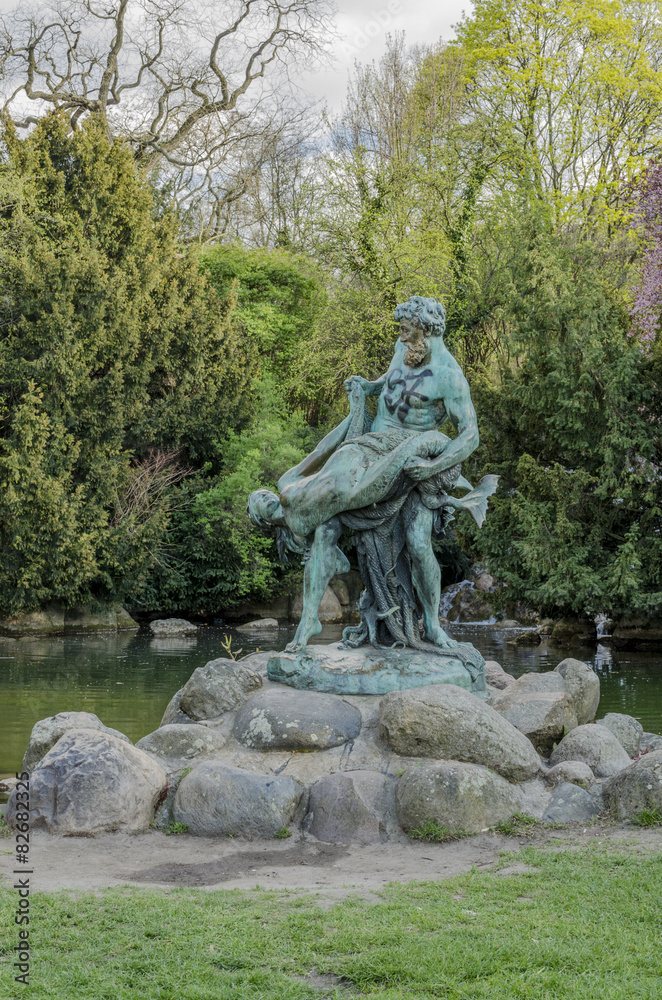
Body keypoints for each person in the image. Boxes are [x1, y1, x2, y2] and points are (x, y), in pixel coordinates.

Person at [248, 296, 496, 652]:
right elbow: (389, 382)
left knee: (418, 540)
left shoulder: (449, 377)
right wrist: (369, 386)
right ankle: (307, 625)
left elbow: (470, 436)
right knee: (327, 524)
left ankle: (431, 624)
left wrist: (431, 466)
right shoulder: (404, 348)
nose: (400, 334)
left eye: (406, 329)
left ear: (424, 331)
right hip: (368, 447)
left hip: (410, 463)